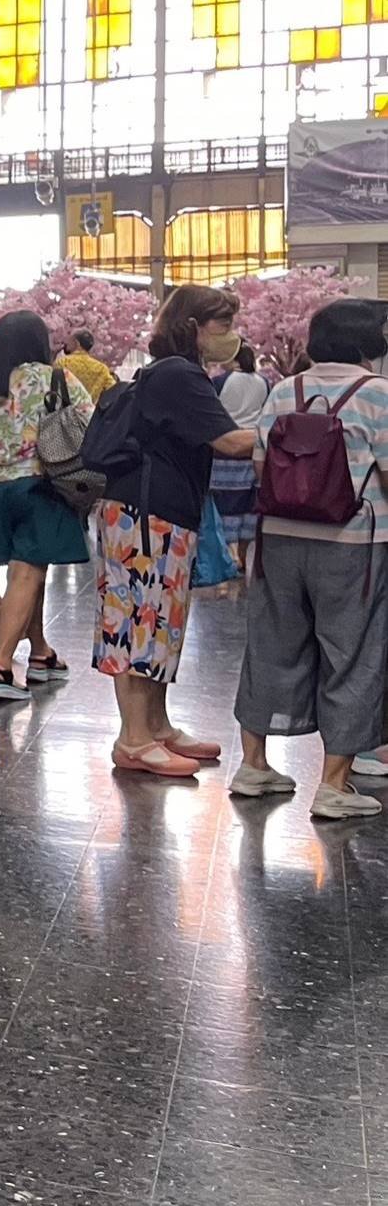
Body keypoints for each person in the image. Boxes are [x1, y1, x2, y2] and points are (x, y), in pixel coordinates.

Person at [231, 300, 388, 819]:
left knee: (271, 643)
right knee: (354, 654)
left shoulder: (284, 391)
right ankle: (335, 784)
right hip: (354, 546)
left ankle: (254, 765)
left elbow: (260, 469)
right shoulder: (378, 395)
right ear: (368, 341)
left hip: (278, 539)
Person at [95, 286, 258, 777]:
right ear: (193, 328)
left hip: (153, 509)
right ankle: (134, 738)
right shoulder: (181, 376)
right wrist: (290, 429)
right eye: (222, 326)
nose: (230, 337)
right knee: (138, 622)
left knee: (159, 620)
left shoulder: (176, 374)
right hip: (146, 513)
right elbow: (229, 441)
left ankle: (157, 726)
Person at [0, 311, 93, 700]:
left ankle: (42, 652)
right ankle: (0, 666)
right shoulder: (56, 378)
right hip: (39, 482)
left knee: (27, 570)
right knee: (27, 572)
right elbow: (88, 421)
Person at [207, 343, 267, 575]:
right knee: (247, 503)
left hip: (226, 446)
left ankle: (230, 554)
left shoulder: (221, 382)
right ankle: (243, 552)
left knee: (226, 504)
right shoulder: (263, 382)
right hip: (253, 446)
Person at [56, 328, 118, 400]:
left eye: (69, 341)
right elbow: (113, 390)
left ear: (77, 343)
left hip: (66, 409)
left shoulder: (63, 362)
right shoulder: (101, 368)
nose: (66, 344)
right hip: (91, 410)